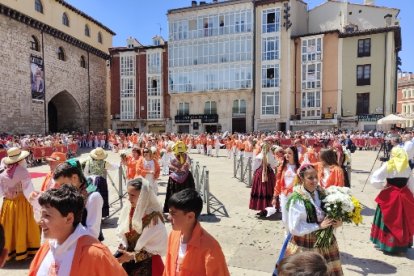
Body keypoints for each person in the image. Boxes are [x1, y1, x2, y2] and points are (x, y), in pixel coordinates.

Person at [28, 185, 126, 276]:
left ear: (69, 219)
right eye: (42, 214)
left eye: (47, 215)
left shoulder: (96, 254)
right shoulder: (47, 247)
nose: (40, 221)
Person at [284, 164, 343, 276]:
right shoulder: (297, 199)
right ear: (302, 178)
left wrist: (337, 222)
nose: (315, 180)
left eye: (316, 176)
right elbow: (294, 228)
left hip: (326, 243)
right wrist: (318, 226)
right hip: (305, 243)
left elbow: (330, 213)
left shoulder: (322, 192)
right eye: (310, 178)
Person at [163, 189, 230, 276]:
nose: (168, 217)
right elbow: (168, 269)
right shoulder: (173, 235)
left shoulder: (211, 248)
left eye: (173, 214)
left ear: (190, 216)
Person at [116, 178, 167, 275]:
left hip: (148, 266)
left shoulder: (154, 218)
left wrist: (132, 256)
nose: (129, 199)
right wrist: (123, 247)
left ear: (143, 196)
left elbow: (157, 248)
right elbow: (122, 232)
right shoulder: (129, 210)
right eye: (128, 194)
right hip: (129, 264)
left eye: (133, 195)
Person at [370, 147, 414, 255]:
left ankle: (387, 244)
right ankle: (402, 245)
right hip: (404, 195)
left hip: (390, 195)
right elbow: (410, 184)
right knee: (402, 220)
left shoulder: (389, 164)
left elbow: (375, 179)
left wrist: (382, 187)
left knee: (388, 217)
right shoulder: (407, 166)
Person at [0, 147, 40, 261]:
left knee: (9, 227)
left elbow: (1, 191)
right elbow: (28, 191)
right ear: (20, 160)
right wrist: (36, 202)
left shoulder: (2, 172)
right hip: (22, 203)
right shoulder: (23, 172)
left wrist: (8, 195)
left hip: (8, 204)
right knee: (23, 225)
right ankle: (24, 249)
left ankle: (9, 250)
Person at [53, 161, 104, 241]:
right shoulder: (71, 193)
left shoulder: (93, 197)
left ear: (74, 178)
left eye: (63, 184)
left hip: (86, 245)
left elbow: (93, 233)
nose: (60, 188)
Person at [82, 147, 118, 217]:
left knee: (90, 196)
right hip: (100, 181)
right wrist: (118, 165)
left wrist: (88, 179)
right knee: (101, 197)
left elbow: (85, 172)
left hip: (90, 181)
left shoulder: (88, 162)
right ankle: (101, 214)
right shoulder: (104, 163)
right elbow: (112, 167)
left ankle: (90, 214)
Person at [163, 141, 195, 213]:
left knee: (187, 193)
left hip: (186, 177)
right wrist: (176, 169)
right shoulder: (171, 155)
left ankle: (187, 209)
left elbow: (188, 164)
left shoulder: (186, 156)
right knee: (174, 194)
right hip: (175, 177)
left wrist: (184, 168)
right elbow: (168, 164)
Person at [273, 146, 300, 228]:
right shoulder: (282, 166)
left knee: (295, 218)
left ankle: (294, 236)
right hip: (284, 195)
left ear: (295, 155)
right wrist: (275, 196)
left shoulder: (300, 167)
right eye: (286, 153)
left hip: (296, 195)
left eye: (289, 153)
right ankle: (287, 235)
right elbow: (278, 182)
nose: (287, 155)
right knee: (285, 218)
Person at [249, 141, 277, 213]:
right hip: (266, 174)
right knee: (266, 190)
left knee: (263, 190)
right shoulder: (269, 156)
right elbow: (274, 165)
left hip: (261, 174)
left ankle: (263, 208)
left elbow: (255, 167)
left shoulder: (260, 156)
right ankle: (266, 208)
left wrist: (254, 174)